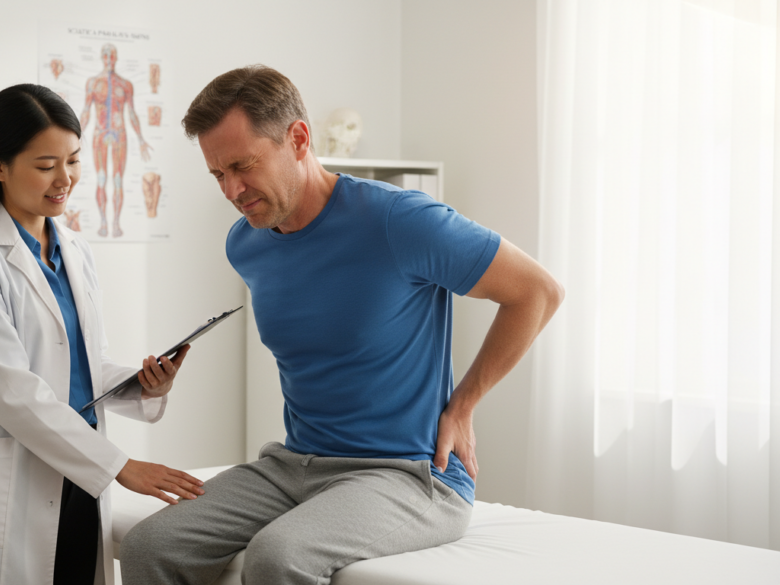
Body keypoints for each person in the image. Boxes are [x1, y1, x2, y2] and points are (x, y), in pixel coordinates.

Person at [120, 66, 565, 585]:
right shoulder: (246, 244)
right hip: (295, 465)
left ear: (299, 139)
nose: (232, 190)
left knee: (278, 556)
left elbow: (537, 292)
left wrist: (464, 404)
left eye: (243, 165)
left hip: (408, 473)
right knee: (150, 545)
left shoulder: (400, 221)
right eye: (218, 174)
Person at [0, 84, 204, 585]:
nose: (65, 179)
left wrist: (143, 382)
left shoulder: (73, 249)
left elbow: (80, 367)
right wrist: (121, 466)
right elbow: (11, 390)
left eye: (74, 160)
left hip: (78, 477)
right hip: (13, 481)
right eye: (45, 164)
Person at [79, 43, 151, 238]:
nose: (109, 59)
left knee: (118, 180)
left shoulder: (125, 84)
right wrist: (76, 135)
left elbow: (133, 113)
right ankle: (103, 222)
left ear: (116, 58)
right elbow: (86, 112)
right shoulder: (93, 83)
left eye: (112, 56)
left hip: (120, 134)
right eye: (106, 56)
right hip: (100, 134)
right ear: (102, 58)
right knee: (101, 179)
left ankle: (116, 223)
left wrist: (141, 139)